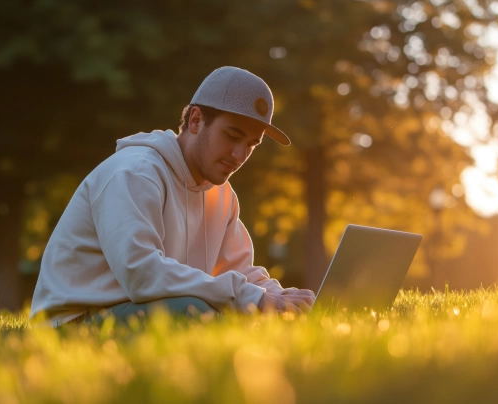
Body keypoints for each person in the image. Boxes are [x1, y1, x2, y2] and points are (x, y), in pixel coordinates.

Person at [29, 66, 315, 327]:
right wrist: (251, 299)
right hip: (76, 323)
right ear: (195, 120)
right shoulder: (136, 172)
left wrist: (279, 296)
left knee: (248, 316)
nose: (240, 155)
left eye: (251, 144)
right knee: (199, 311)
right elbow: (141, 274)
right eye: (232, 135)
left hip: (142, 310)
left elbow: (238, 271)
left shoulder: (222, 195)